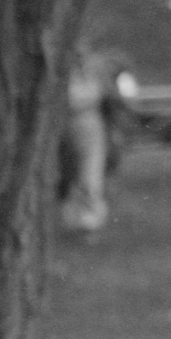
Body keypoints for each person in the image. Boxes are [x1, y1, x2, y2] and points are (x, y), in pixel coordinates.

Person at [60, 50, 109, 234]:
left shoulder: (92, 73)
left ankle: (90, 218)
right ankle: (73, 217)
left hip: (92, 125)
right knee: (72, 172)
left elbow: (101, 95)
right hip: (71, 125)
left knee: (91, 171)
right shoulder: (66, 76)